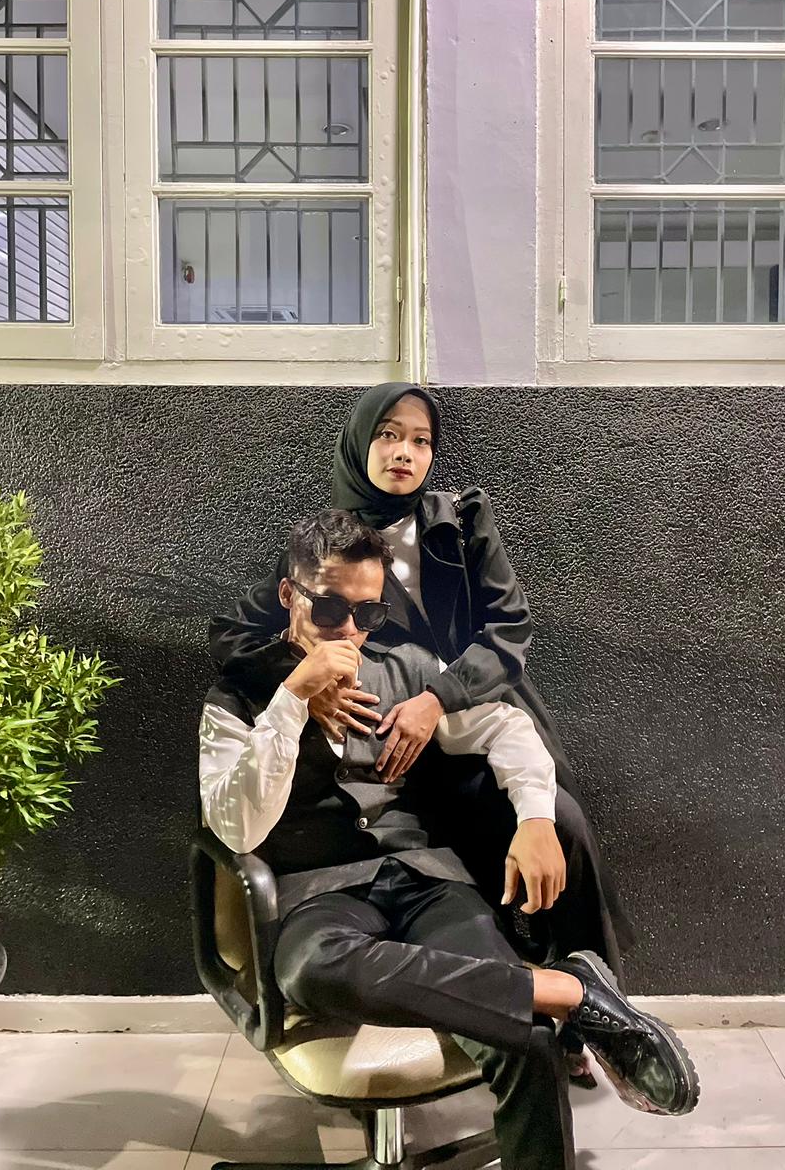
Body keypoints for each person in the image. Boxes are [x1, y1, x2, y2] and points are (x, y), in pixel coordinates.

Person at [199, 510, 699, 1170]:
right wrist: (291, 700)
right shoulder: (238, 694)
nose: (348, 631)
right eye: (330, 610)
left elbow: (506, 728)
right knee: (309, 971)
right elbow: (236, 827)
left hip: (426, 881)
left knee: (526, 1041)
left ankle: (545, 1007)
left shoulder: (407, 669)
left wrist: (536, 819)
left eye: (367, 614)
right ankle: (565, 990)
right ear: (291, 596)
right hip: (316, 895)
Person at [209, 383, 636, 1081]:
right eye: (387, 434)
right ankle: (523, 1000)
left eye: (420, 440)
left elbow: (509, 630)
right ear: (359, 443)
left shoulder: (459, 521)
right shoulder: (328, 547)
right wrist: (309, 683)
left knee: (558, 822)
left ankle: (595, 1012)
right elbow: (232, 635)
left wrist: (437, 698)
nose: (403, 452)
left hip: (459, 719)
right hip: (376, 743)